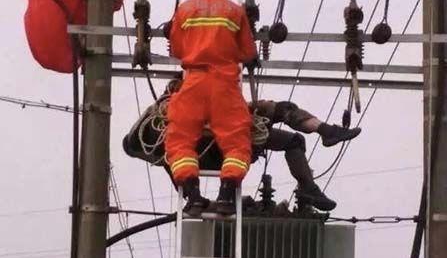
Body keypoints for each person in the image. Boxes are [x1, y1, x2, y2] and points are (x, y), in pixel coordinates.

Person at [123, 88, 361, 213]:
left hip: (226, 141)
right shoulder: (165, 137)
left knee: (290, 136)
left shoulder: (167, 150)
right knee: (281, 121)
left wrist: (200, 201)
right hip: (231, 141)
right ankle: (322, 137)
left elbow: (185, 186)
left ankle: (314, 173)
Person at [164, 0, 257, 214]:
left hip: (193, 83)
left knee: (179, 140)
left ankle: (193, 197)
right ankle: (226, 197)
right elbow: (247, 52)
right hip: (224, 85)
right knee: (237, 143)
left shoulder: (185, 10)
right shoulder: (235, 11)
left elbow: (178, 50)